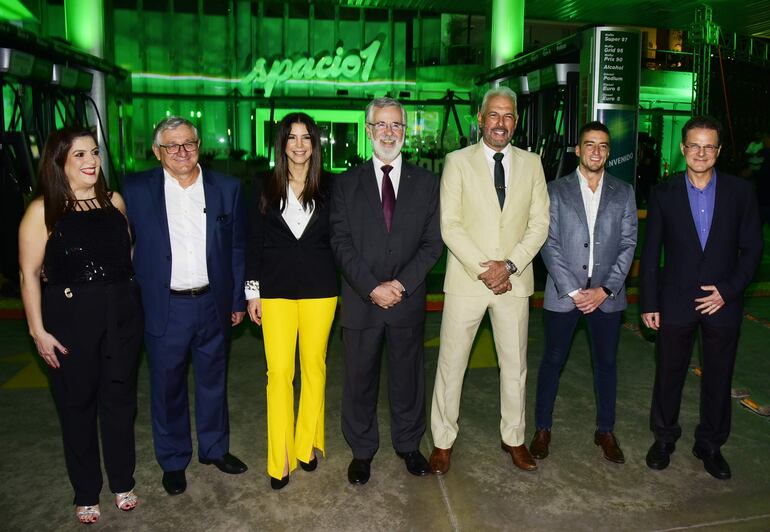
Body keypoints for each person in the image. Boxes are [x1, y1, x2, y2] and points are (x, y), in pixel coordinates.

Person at [18, 127, 143, 524]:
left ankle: (123, 481)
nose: (91, 162)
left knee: (121, 405)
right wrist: (38, 331)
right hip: (70, 319)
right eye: (79, 156)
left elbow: (128, 254)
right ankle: (86, 491)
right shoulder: (42, 211)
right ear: (59, 163)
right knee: (77, 408)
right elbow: (29, 273)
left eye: (94, 153)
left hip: (121, 316)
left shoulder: (114, 202)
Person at [122, 116, 248, 496]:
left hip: (213, 302)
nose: (182, 152)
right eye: (172, 146)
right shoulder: (135, 189)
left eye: (189, 143)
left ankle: (214, 449)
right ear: (157, 152)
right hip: (165, 305)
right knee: (167, 386)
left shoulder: (227, 188)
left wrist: (237, 298)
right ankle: (174, 460)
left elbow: (237, 247)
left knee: (214, 382)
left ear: (199, 146)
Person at [429, 86, 549, 475]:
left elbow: (539, 223)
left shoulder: (533, 164)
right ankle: (443, 441)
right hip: (468, 281)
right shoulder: (457, 161)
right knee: (451, 364)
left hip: (513, 283)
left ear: (517, 121)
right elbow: (450, 224)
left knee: (515, 367)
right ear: (480, 119)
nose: (501, 122)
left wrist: (509, 266)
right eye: (493, 115)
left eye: (508, 115)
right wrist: (486, 270)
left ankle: (514, 438)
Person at [640, 116, 763, 480]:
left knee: (719, 376)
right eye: (694, 145)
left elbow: (753, 249)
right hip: (675, 300)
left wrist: (728, 291)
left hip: (722, 302)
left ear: (719, 151)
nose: (701, 153)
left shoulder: (741, 193)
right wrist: (649, 302)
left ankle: (710, 444)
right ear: (682, 148)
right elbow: (651, 253)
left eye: (709, 147)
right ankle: (664, 438)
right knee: (668, 374)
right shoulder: (664, 192)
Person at [330, 97, 443, 485]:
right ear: (368, 130)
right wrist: (371, 287)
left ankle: (409, 445)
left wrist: (400, 284)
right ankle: (362, 451)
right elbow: (340, 242)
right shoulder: (345, 184)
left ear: (405, 131)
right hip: (362, 302)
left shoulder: (427, 183)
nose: (389, 132)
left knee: (408, 379)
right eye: (381, 125)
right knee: (359, 380)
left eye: (396, 125)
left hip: (406, 301)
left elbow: (433, 243)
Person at [530, 121, 637, 464]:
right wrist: (576, 290)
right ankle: (542, 429)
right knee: (552, 361)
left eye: (603, 146)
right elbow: (549, 242)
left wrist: (605, 289)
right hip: (564, 295)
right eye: (590, 145)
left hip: (607, 297)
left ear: (608, 152)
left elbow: (628, 243)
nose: (596, 151)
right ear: (578, 150)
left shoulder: (624, 192)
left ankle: (605, 430)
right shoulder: (556, 190)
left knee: (606, 365)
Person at [245, 113, 338, 490]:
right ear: (281, 143)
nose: (299, 145)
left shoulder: (332, 185)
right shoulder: (261, 184)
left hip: (321, 289)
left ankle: (306, 445)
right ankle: (280, 456)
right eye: (291, 138)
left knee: (314, 367)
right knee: (279, 373)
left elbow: (339, 239)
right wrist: (252, 291)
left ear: (315, 144)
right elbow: (253, 240)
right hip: (275, 290)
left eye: (306, 138)